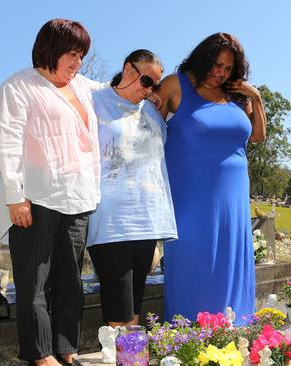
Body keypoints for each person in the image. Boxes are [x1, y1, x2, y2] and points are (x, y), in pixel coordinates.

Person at [0, 18, 99, 366]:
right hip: (34, 199)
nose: (76, 63)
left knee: (71, 279)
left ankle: (66, 347)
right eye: (71, 53)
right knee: (33, 282)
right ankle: (40, 354)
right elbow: (6, 144)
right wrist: (14, 196)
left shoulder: (82, 86)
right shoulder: (18, 87)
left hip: (78, 198)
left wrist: (147, 87)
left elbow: (116, 94)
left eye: (81, 55)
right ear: (49, 49)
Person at [157, 33, 266, 324]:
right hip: (191, 196)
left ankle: (235, 330)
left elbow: (258, 135)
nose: (221, 72)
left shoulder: (237, 97)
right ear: (204, 58)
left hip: (234, 196)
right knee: (193, 260)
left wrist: (255, 96)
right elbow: (146, 131)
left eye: (228, 68)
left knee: (231, 261)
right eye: (217, 64)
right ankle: (187, 334)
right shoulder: (175, 85)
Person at [86, 49, 177, 327]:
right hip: (110, 220)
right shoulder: (94, 99)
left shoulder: (151, 110)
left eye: (155, 85)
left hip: (147, 219)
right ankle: (123, 354)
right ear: (128, 70)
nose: (150, 89)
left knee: (134, 301)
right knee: (119, 304)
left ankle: (130, 356)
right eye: (146, 81)